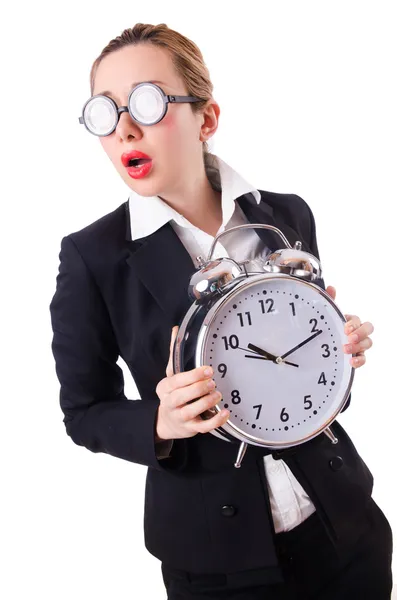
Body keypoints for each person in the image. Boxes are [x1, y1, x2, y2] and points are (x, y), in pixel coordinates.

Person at [49, 23, 393, 599]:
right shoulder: (92, 257)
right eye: (105, 114)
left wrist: (333, 351)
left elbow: (307, 374)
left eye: (148, 102)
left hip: (344, 527)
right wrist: (160, 424)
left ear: (205, 118)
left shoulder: (288, 214)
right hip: (217, 564)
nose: (126, 128)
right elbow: (83, 411)